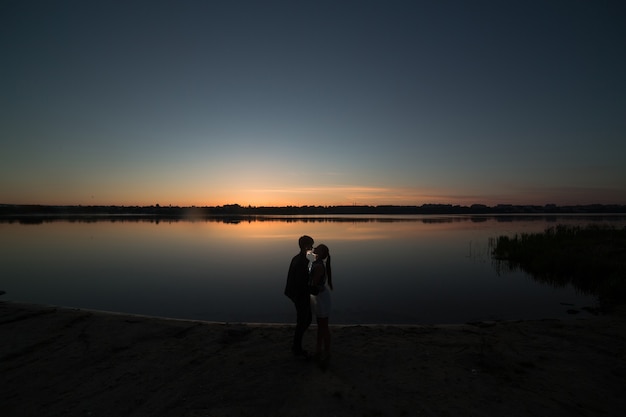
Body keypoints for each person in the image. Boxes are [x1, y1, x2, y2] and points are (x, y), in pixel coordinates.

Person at [284, 235, 314, 357]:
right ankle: (297, 349)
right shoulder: (301, 261)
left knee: (306, 320)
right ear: (305, 246)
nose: (312, 247)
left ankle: (296, 345)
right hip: (299, 294)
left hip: (296, 293)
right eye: (311, 245)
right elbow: (301, 282)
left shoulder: (298, 258)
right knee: (303, 321)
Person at [309, 244, 333, 368]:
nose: (315, 247)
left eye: (318, 247)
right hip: (319, 297)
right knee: (321, 326)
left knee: (323, 326)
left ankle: (326, 352)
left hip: (321, 298)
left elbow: (313, 283)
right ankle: (319, 350)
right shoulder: (316, 263)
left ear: (321, 252)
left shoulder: (318, 266)